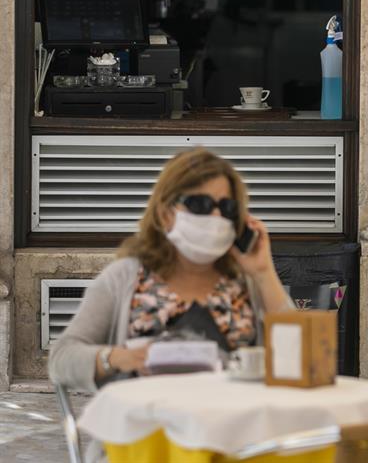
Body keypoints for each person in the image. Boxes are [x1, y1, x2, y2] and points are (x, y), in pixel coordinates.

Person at [49, 148, 294, 393]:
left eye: (227, 207)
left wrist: (264, 273)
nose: (217, 215)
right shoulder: (125, 276)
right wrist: (119, 357)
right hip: (148, 425)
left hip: (233, 424)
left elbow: (300, 355)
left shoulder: (245, 281)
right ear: (166, 214)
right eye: (200, 204)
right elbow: (62, 359)